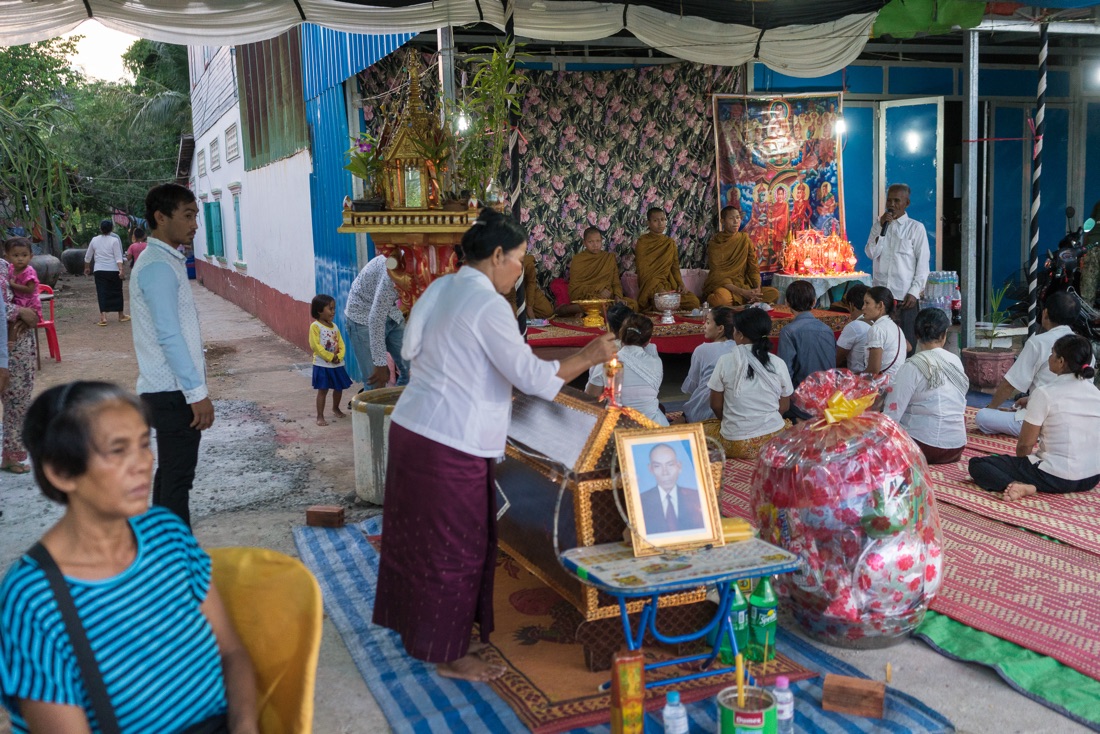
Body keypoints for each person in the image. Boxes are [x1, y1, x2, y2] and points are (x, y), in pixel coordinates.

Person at [373, 208, 616, 682]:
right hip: (449, 441)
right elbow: (531, 378)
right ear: (498, 255)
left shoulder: (442, 287)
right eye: (520, 259)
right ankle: (449, 653)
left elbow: (411, 351)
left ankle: (427, 632)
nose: (522, 270)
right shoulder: (487, 305)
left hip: (413, 428)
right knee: (455, 545)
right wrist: (588, 355)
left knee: (421, 539)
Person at [0, 382, 258, 733]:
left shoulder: (167, 534)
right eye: (118, 451)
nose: (141, 464)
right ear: (61, 471)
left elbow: (231, 652)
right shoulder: (33, 599)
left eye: (142, 444)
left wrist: (245, 725)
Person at [130, 183, 213, 528]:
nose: (196, 224)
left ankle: (164, 553)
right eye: (188, 215)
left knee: (171, 475)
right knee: (178, 481)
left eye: (196, 215)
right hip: (171, 392)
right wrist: (197, 393)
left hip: (166, 389)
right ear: (161, 218)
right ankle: (179, 566)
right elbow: (169, 335)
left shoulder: (164, 261)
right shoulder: (157, 267)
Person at [969, 335, 1100, 501]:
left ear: (1060, 362)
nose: (1049, 358)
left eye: (1052, 354)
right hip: (1091, 478)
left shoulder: (1045, 393)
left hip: (1056, 477)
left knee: (978, 464)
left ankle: (1018, 485)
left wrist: (1023, 469)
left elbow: (1025, 444)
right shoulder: (1096, 393)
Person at [975, 290, 1084, 437]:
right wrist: (1032, 399)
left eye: (1053, 354)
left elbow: (1010, 384)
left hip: (1041, 423)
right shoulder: (1084, 346)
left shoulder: (1039, 342)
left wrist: (991, 408)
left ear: (1045, 313)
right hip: (1075, 423)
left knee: (982, 416)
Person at [884, 308, 968, 464]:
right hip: (956, 446)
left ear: (916, 335)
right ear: (944, 335)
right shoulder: (955, 361)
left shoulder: (911, 366)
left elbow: (892, 415)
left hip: (923, 447)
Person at [709, 308, 794, 459]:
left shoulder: (725, 361)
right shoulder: (778, 363)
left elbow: (715, 405)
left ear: (740, 335)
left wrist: (733, 423)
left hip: (735, 444)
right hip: (773, 439)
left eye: (734, 331)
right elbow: (784, 405)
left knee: (702, 430)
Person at [865, 184, 929, 355]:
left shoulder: (915, 228)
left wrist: (914, 292)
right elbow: (871, 253)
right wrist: (881, 229)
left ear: (906, 203)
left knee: (906, 346)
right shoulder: (879, 226)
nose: (891, 204)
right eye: (889, 200)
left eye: (896, 201)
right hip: (882, 299)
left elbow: (923, 265)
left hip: (904, 298)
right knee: (880, 343)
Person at [587, 313, 669, 426]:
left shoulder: (606, 361)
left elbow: (589, 399)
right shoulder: (656, 362)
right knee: (659, 408)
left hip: (616, 428)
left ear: (621, 335)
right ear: (648, 341)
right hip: (651, 426)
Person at [344, 255, 408, 391]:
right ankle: (377, 410)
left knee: (412, 371)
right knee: (375, 382)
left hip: (391, 312)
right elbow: (376, 318)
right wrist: (380, 364)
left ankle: (399, 409)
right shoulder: (394, 271)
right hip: (362, 316)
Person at [778, 279, 837, 421]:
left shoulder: (788, 331)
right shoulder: (827, 330)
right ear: (814, 302)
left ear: (787, 303)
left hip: (801, 404)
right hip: (827, 400)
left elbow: (785, 373)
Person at [0, 245, 35, 475]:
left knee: (18, 399)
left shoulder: (6, 267)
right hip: (6, 341)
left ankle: (12, 454)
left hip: (16, 344)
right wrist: (17, 312)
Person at [702, 206, 780, 308]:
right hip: (726, 286)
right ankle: (747, 301)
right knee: (719, 300)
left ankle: (749, 300)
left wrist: (757, 289)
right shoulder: (715, 243)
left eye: (738, 218)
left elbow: (754, 267)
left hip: (743, 283)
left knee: (774, 293)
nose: (736, 221)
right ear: (722, 221)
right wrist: (742, 292)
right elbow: (718, 275)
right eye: (731, 218)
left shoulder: (744, 239)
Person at [634, 208, 701, 312]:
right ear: (648, 223)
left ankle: (670, 307)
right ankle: (665, 306)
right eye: (656, 220)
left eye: (663, 219)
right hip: (652, 287)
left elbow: (675, 267)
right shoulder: (642, 242)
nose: (660, 223)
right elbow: (643, 271)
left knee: (694, 302)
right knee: (661, 301)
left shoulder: (669, 242)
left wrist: (681, 285)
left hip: (669, 285)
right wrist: (657, 288)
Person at [681, 306, 736, 423]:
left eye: (708, 322)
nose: (704, 326)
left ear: (720, 328)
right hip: (735, 410)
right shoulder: (740, 348)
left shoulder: (702, 349)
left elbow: (693, 385)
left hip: (708, 407)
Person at [638, 443, 704, 534]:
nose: (665, 472)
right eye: (657, 466)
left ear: (679, 466)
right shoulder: (641, 501)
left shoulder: (696, 496)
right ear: (651, 469)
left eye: (670, 464)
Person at [568, 227, 637, 310]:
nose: (595, 245)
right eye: (591, 242)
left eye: (598, 241)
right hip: (589, 297)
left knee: (633, 304)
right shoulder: (578, 260)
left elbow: (615, 283)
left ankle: (581, 310)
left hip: (609, 298)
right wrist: (598, 289)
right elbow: (575, 289)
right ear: (584, 243)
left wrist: (618, 297)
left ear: (602, 241)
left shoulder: (608, 258)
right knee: (598, 306)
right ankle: (581, 309)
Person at [309, 294, 352, 426]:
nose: (333, 311)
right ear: (319, 310)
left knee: (338, 388)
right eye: (330, 309)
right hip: (322, 365)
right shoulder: (315, 327)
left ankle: (336, 408)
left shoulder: (334, 327)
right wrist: (330, 357)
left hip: (337, 364)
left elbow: (341, 344)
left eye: (334, 308)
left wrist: (339, 357)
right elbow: (315, 346)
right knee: (323, 390)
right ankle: (320, 416)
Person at [84, 219, 130, 326]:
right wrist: (121, 270)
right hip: (113, 270)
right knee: (117, 291)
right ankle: (121, 315)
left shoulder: (94, 240)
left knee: (102, 292)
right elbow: (118, 258)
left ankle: (103, 317)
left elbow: (87, 256)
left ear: (100, 229)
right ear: (112, 229)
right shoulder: (114, 240)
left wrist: (87, 268)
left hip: (99, 270)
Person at [861, 286, 906, 379]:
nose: (863, 307)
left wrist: (853, 378)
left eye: (867, 303)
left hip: (883, 387)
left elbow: (873, 371)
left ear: (880, 305)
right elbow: (908, 347)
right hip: (897, 381)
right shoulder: (895, 327)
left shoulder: (877, 329)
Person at [835, 283, 871, 372]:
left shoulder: (854, 326)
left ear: (851, 305)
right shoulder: (878, 321)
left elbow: (836, 359)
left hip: (858, 377)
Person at [5, 238, 42, 322]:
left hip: (29, 303)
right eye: (16, 255)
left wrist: (13, 285)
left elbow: (30, 289)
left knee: (17, 324)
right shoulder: (10, 268)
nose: (20, 259)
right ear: (8, 257)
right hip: (17, 302)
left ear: (31, 256)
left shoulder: (29, 272)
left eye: (24, 255)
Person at [523, 254, 556, 320]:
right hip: (509, 293)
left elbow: (531, 283)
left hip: (525, 290)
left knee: (547, 311)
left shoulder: (527, 261)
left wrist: (529, 308)